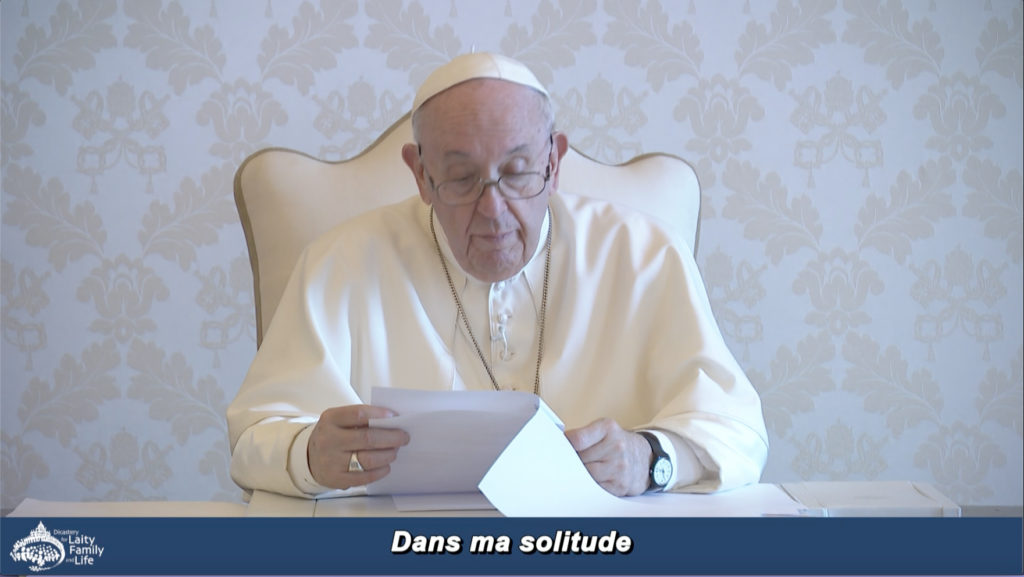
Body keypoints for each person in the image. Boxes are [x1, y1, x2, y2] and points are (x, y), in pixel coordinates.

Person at [227, 52, 768, 499]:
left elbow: (738, 431)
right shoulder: (340, 263)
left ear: (554, 162)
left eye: (517, 172)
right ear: (420, 174)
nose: (493, 210)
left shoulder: (643, 254)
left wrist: (650, 458)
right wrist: (308, 454)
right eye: (461, 178)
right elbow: (254, 437)